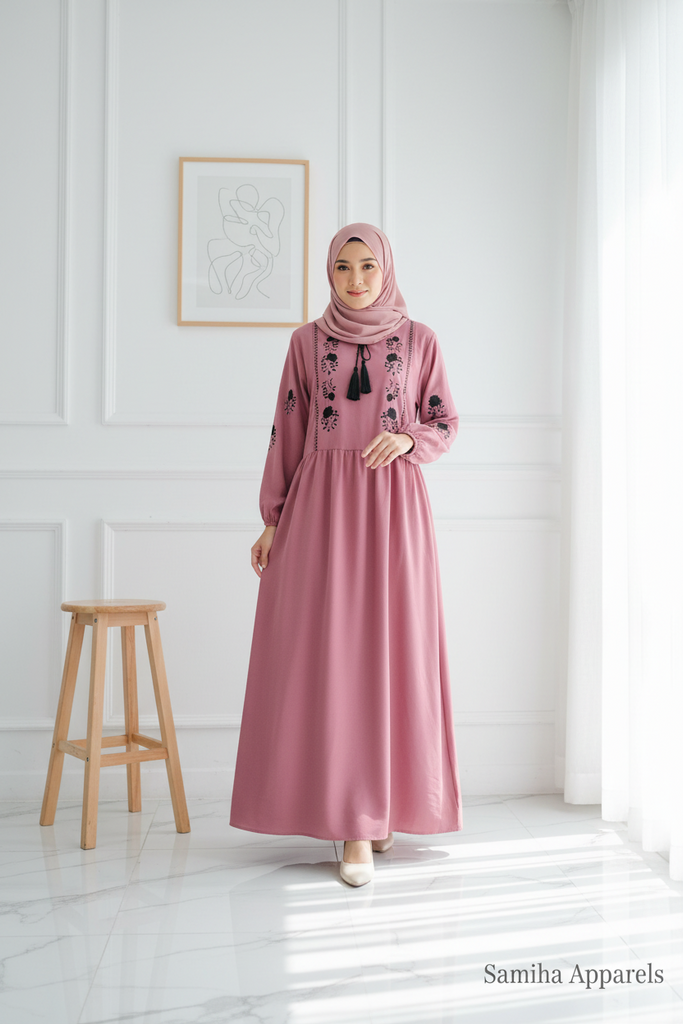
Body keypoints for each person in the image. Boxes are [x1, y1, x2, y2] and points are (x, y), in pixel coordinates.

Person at [229, 223, 462, 886]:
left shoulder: (420, 339)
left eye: (367, 267)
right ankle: (352, 822)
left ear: (385, 270)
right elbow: (286, 430)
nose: (356, 280)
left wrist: (408, 440)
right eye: (342, 268)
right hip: (321, 509)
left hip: (394, 510)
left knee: (393, 651)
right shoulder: (306, 342)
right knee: (331, 657)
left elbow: (444, 421)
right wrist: (271, 520)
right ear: (328, 273)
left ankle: (382, 806)